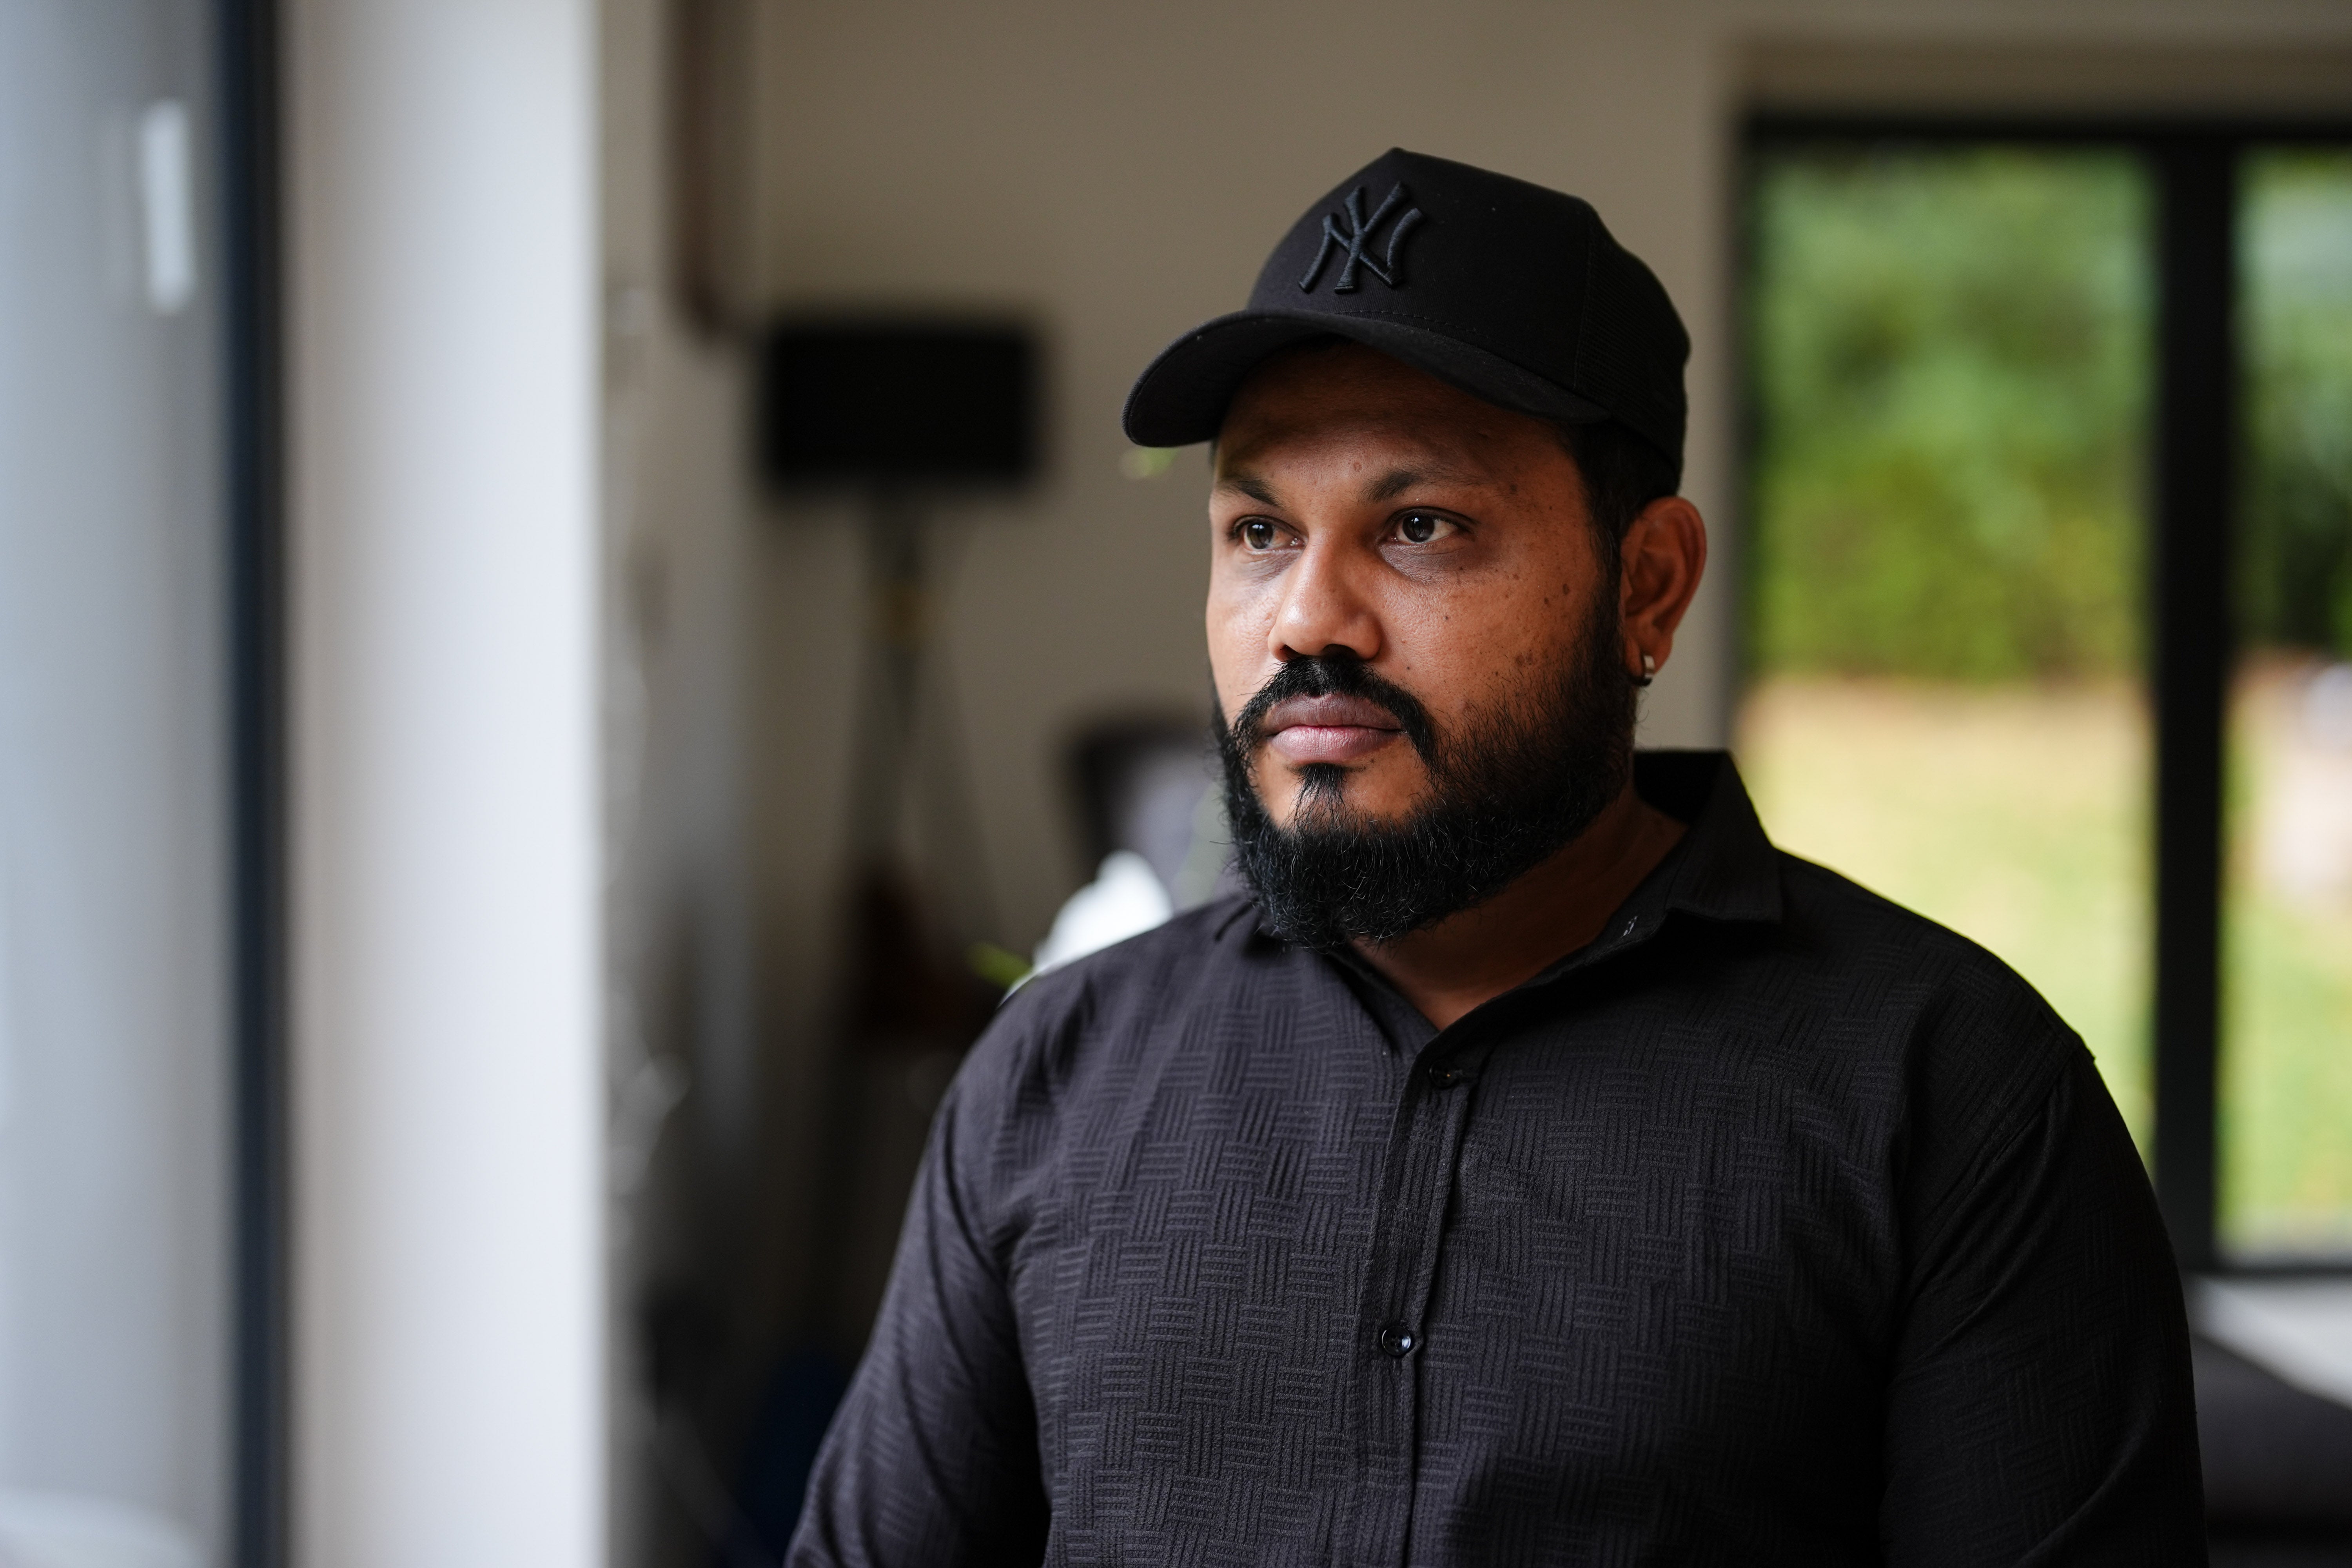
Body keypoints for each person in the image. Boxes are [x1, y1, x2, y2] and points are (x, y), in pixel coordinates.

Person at [788, 149, 2203, 1566]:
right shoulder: (1054, 1076)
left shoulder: (1953, 1094)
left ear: (1648, 584)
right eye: (1259, 531)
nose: (1306, 619)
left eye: (1420, 528)